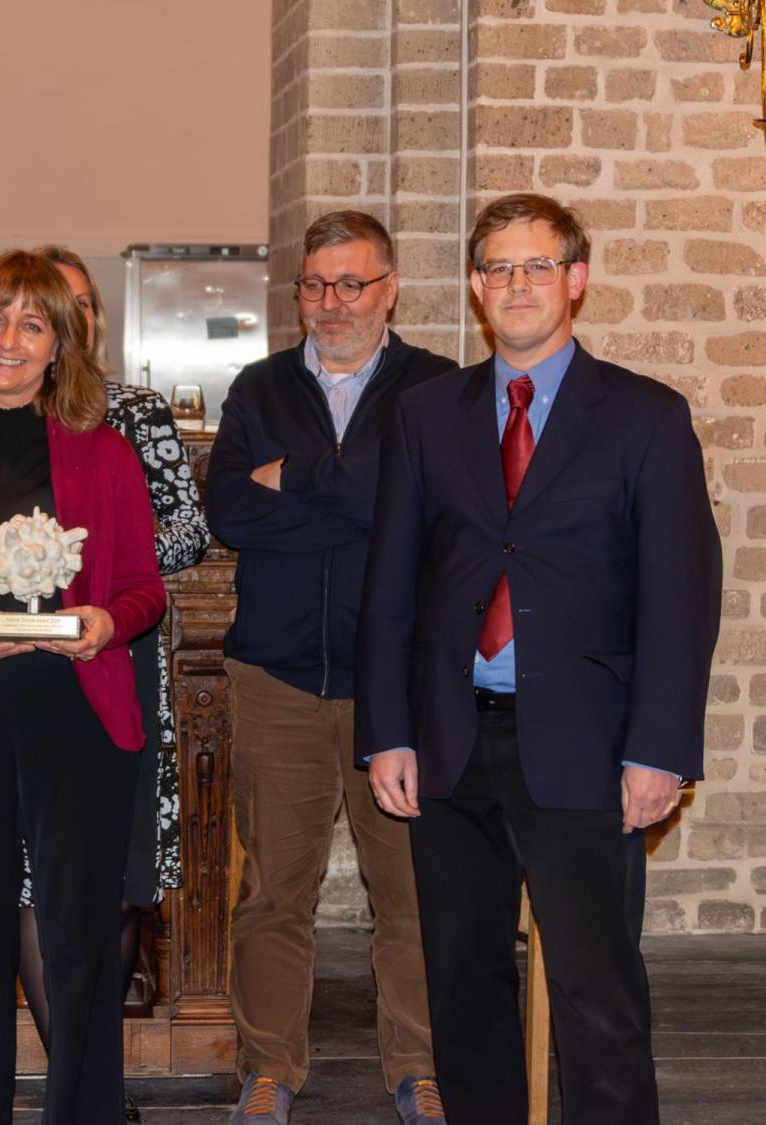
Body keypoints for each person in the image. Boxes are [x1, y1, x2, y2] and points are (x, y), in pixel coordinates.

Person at [357, 192, 722, 1124]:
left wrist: (661, 749)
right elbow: (391, 587)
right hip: (448, 745)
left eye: (538, 265)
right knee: (464, 988)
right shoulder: (424, 416)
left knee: (599, 997)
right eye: (499, 269)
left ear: (577, 280)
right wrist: (387, 732)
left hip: (588, 747)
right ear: (477, 290)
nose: (518, 284)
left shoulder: (646, 418)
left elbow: (680, 600)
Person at [0, 250, 166, 1125]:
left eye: (32, 323)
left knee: (78, 942)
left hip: (74, 710)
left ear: (61, 345)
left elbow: (144, 588)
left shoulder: (106, 452)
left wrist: (106, 623)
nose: (9, 339)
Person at [206, 211, 453, 1125]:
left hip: (401, 686)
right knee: (274, 892)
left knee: (414, 895)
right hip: (274, 678)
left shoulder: (436, 390)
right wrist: (359, 487)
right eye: (315, 284)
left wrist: (296, 479)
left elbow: (433, 517)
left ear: (390, 288)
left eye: (352, 283)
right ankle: (269, 1068)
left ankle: (419, 1066)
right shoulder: (259, 386)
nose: (332, 302)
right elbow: (229, 510)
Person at [15, 247, 209, 1115]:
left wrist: (92, 563)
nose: (72, 319)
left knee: (120, 879)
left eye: (83, 305)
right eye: (52, 306)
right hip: (17, 677)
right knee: (30, 876)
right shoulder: (1, 409)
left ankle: (94, 1076)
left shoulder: (135, 411)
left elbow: (187, 533)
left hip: (120, 667)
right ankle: (79, 1087)